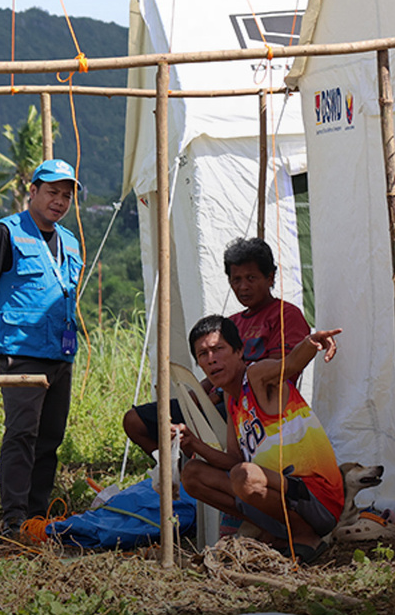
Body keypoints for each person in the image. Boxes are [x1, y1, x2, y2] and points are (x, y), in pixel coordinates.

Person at [0, 158, 82, 536]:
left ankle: (38, 516)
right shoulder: (5, 233)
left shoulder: (69, 241)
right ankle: (13, 518)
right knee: (21, 435)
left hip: (60, 353)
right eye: (52, 192)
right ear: (32, 192)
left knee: (50, 438)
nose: (59, 201)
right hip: (21, 353)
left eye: (66, 196)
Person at [177, 314, 345, 563]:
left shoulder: (256, 375)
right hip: (281, 495)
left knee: (244, 476)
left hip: (317, 499)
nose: (211, 360)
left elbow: (290, 365)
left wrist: (312, 342)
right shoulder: (230, 398)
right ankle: (276, 530)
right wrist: (193, 444)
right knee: (192, 474)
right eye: (203, 354)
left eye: (218, 349)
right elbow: (233, 459)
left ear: (238, 351)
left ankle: (304, 535)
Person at [122, 236, 310, 456]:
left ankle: (208, 473)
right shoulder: (230, 322)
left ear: (270, 278)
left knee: (197, 432)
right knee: (135, 421)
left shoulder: (286, 315)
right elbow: (216, 371)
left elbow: (277, 372)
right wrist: (195, 396)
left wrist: (218, 396)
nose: (243, 287)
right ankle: (178, 472)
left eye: (251, 278)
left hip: (256, 409)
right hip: (219, 402)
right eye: (236, 279)